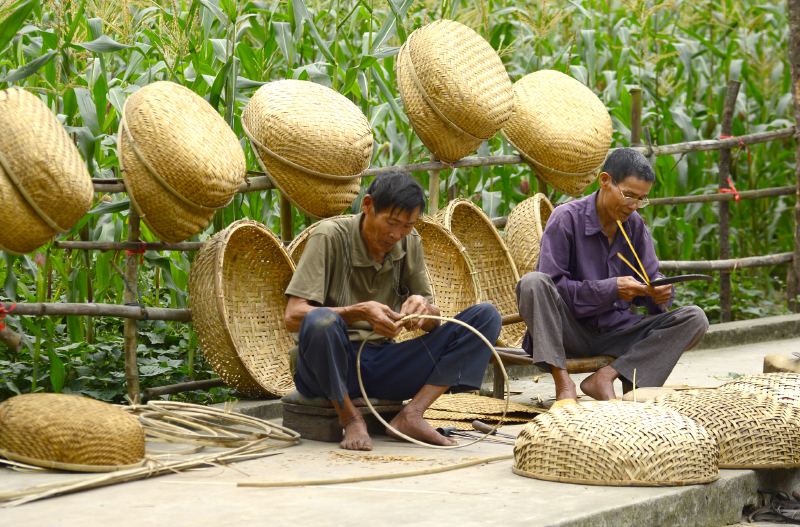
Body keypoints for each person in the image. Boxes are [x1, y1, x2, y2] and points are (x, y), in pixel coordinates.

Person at [284, 171, 502, 451]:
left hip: (382, 363)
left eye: (407, 225)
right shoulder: (329, 236)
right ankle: (349, 417)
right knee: (319, 319)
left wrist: (422, 310)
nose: (396, 234)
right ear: (367, 205)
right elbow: (293, 316)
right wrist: (359, 311)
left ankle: (412, 414)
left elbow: (434, 322)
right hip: (325, 367)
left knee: (485, 317)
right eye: (392, 222)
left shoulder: (410, 242)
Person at [515, 148, 708, 404]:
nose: (633, 205)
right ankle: (564, 385)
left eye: (641, 199)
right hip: (569, 333)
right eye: (628, 195)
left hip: (617, 333)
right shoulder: (566, 219)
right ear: (605, 181)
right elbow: (554, 288)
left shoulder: (635, 224)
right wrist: (611, 289)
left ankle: (605, 377)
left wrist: (659, 291)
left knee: (695, 318)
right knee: (532, 283)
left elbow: (650, 278)